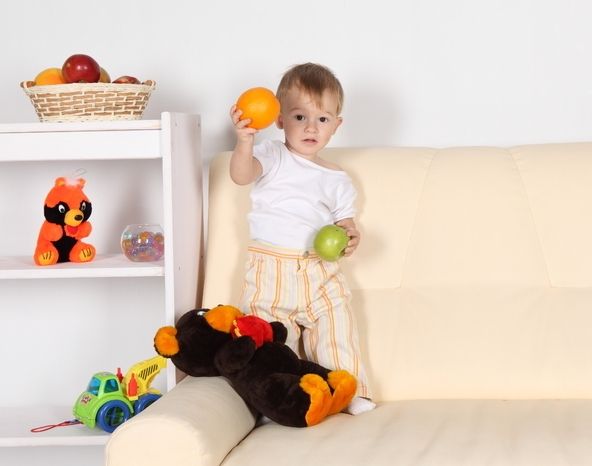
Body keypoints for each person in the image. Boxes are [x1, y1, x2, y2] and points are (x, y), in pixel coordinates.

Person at [229, 63, 375, 415]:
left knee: (338, 325)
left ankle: (347, 389)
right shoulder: (273, 155)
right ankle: (276, 400)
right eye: (299, 117)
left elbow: (345, 223)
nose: (311, 127)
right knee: (273, 338)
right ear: (280, 120)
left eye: (322, 119)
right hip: (270, 270)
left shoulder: (337, 178)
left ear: (336, 125)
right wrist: (245, 141)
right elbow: (241, 175)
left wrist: (350, 236)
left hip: (319, 269)